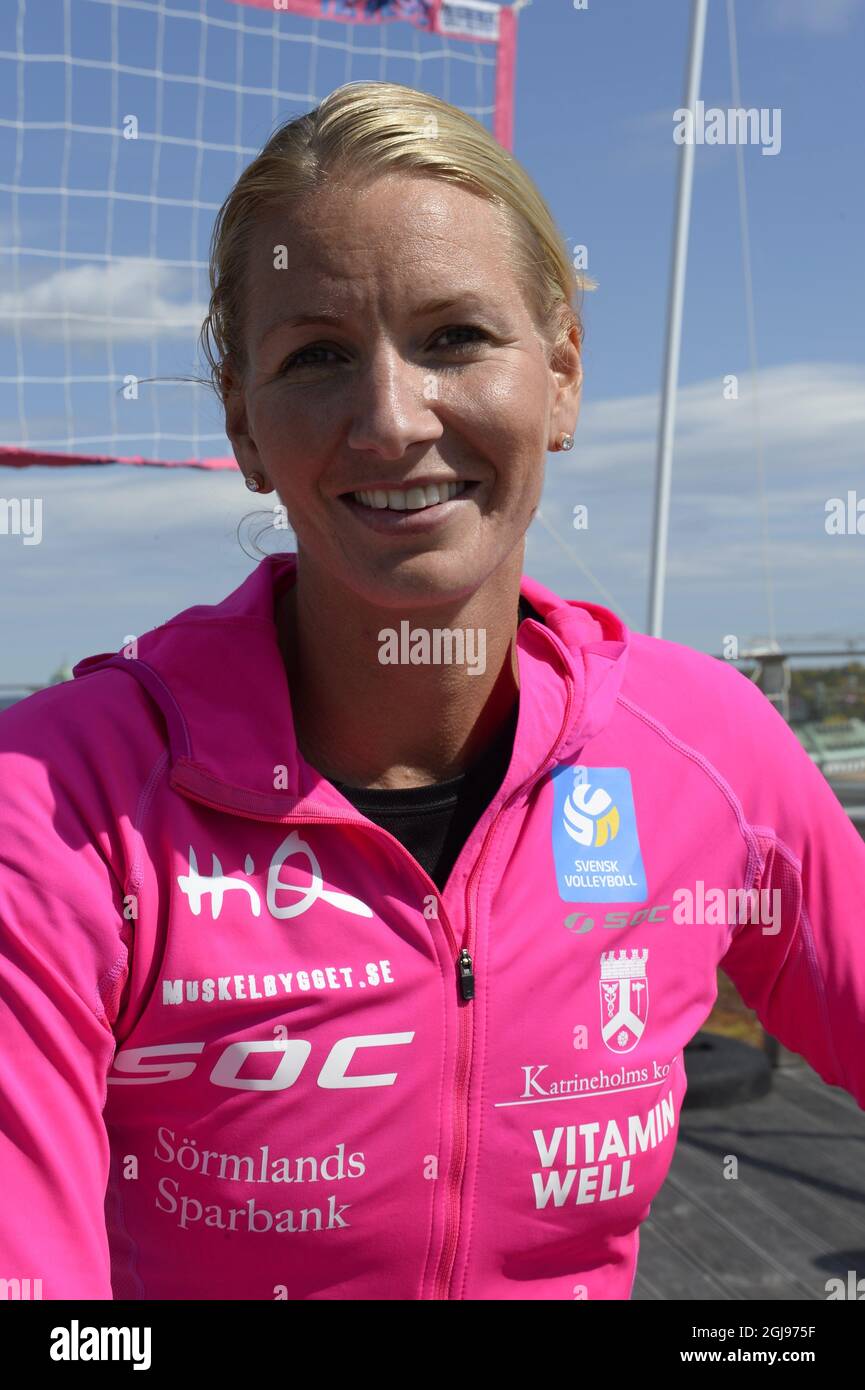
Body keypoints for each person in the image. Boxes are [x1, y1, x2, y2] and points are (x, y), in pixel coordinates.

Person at [1, 80, 864, 1303]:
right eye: (317, 357)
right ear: (243, 423)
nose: (392, 419)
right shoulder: (53, 810)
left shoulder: (706, 751)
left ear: (559, 377)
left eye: (455, 337)